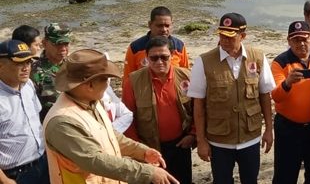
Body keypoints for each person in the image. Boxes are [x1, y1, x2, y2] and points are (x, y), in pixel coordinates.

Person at [43, 49, 178, 184]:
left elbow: (109, 134)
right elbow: (94, 160)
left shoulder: (91, 102)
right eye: (105, 79)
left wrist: (141, 151)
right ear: (90, 85)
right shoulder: (62, 122)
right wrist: (147, 172)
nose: (108, 84)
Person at [187, 13, 275, 184]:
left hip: (250, 138)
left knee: (250, 180)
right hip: (219, 141)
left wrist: (269, 131)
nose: (224, 40)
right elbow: (198, 105)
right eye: (221, 35)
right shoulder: (203, 62)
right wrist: (201, 141)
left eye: (230, 36)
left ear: (243, 36)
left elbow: (265, 96)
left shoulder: (257, 57)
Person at [123, 36, 195, 184]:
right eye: (154, 58)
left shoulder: (186, 76)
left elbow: (198, 110)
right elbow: (126, 119)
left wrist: (193, 135)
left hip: (180, 146)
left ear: (173, 55)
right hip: (149, 147)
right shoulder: (133, 81)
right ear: (147, 58)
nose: (159, 62)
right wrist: (139, 149)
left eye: (164, 57)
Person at [271, 21, 310, 184]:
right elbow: (276, 96)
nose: (301, 43)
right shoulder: (280, 62)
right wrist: (287, 83)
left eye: (304, 39)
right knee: (285, 174)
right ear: (289, 41)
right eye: (295, 40)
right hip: (288, 128)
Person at [0, 40, 49, 184]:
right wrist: (4, 180)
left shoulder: (28, 85)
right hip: (14, 174)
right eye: (19, 63)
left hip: (42, 164)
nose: (26, 68)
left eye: (28, 62)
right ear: (1, 66)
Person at [123, 6, 190, 85]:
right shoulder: (135, 48)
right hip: (145, 93)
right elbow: (127, 79)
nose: (164, 29)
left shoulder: (179, 47)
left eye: (167, 26)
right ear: (150, 25)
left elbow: (186, 75)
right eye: (159, 25)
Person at [32, 23, 72, 121]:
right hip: (50, 125)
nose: (63, 49)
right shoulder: (33, 72)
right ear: (44, 43)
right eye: (57, 44)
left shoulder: (73, 65)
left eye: (66, 44)